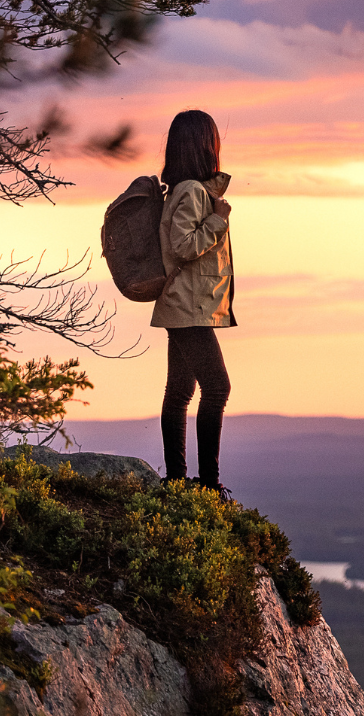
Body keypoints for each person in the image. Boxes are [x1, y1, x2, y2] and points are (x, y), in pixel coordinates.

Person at [152, 109, 236, 493]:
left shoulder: (186, 189)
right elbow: (184, 246)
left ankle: (176, 480)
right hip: (189, 309)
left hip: (185, 306)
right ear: (206, 145)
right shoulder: (191, 191)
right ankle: (207, 484)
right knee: (216, 388)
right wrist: (217, 220)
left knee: (181, 392)